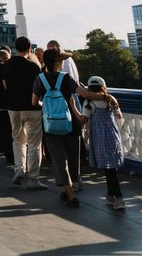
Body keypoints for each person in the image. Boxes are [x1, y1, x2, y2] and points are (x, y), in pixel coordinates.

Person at [34, 47, 85, 207]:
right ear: (57, 63)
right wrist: (104, 96)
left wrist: (46, 106)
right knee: (72, 158)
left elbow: (34, 102)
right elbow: (84, 93)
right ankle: (72, 194)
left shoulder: (40, 78)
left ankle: (65, 190)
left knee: (59, 160)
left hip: (51, 124)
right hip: (71, 124)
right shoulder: (66, 78)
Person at [3, 36, 46, 189]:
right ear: (29, 49)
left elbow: (5, 85)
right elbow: (39, 87)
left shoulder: (7, 65)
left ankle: (19, 169)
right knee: (34, 144)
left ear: (15, 48)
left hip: (13, 107)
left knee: (18, 140)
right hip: (31, 107)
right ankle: (33, 178)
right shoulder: (34, 66)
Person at [81, 75, 126, 212]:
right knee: (111, 167)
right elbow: (119, 116)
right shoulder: (110, 99)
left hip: (99, 136)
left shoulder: (89, 102)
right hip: (112, 135)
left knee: (109, 168)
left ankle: (118, 197)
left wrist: (72, 106)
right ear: (104, 88)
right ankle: (111, 195)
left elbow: (83, 119)